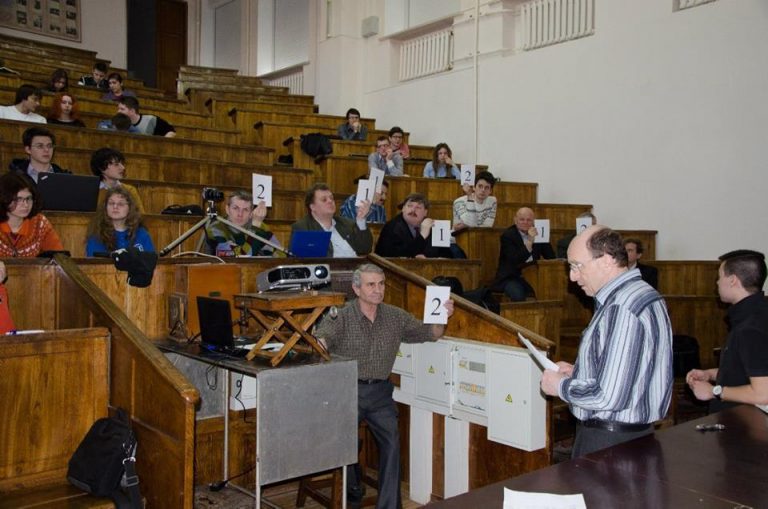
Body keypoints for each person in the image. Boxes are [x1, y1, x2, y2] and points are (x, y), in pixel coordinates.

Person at [315, 263, 454, 509]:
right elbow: (321, 341)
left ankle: (389, 506)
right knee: (343, 441)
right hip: (346, 391)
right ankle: (352, 488)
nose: (377, 290)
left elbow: (431, 333)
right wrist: (319, 342)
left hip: (380, 393)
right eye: (371, 285)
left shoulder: (395, 316)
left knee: (392, 445)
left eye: (381, 284)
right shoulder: (341, 315)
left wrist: (442, 316)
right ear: (356, 289)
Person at [541, 225, 673, 458]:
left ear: (607, 260)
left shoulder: (621, 307)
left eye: (577, 266)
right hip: (632, 438)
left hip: (609, 442)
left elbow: (609, 396)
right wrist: (578, 373)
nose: (572, 277)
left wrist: (560, 386)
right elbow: (633, 371)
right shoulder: (643, 293)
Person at [686, 250, 768, 412]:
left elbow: (763, 394)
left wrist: (714, 391)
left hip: (745, 422)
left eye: (720, 277)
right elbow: (751, 370)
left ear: (732, 280)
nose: (717, 283)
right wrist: (710, 374)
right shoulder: (758, 314)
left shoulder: (750, 328)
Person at [291, 183, 373, 257]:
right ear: (312, 207)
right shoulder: (303, 228)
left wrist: (361, 220)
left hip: (356, 266)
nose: (330, 201)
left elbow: (365, 249)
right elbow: (299, 260)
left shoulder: (347, 224)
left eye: (331, 198)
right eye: (324, 200)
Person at [491, 207, 555, 301]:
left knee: (550, 290)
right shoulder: (508, 236)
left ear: (533, 221)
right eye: (522, 219)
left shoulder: (538, 234)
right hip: (511, 277)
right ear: (515, 220)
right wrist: (529, 242)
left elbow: (551, 257)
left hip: (533, 276)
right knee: (518, 294)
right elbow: (515, 260)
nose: (525, 222)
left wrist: (544, 238)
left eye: (529, 220)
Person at [0, 173, 64, 257]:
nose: (25, 204)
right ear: (4, 199)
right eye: (18, 199)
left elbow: (59, 256)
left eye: (28, 198)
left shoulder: (40, 223)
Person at [375, 193, 453, 259]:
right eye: (410, 206)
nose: (413, 210)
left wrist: (430, 259)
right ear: (403, 208)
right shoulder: (392, 227)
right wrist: (422, 236)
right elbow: (393, 255)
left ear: (425, 212)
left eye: (418, 207)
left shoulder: (433, 227)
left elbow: (447, 255)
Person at [203, 191, 280, 257]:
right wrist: (255, 227)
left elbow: (281, 255)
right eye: (235, 208)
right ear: (227, 209)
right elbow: (240, 258)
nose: (240, 214)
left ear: (251, 213)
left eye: (245, 210)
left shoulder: (261, 227)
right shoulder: (216, 228)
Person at [86, 187, 154, 257]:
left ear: (130, 208)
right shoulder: (97, 235)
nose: (115, 206)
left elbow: (151, 260)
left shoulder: (141, 234)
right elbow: (95, 262)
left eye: (121, 204)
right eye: (111, 203)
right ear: (105, 207)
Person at [90, 147, 143, 212]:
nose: (123, 168)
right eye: (116, 164)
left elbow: (140, 215)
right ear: (101, 168)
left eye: (122, 164)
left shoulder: (130, 190)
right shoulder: (91, 191)